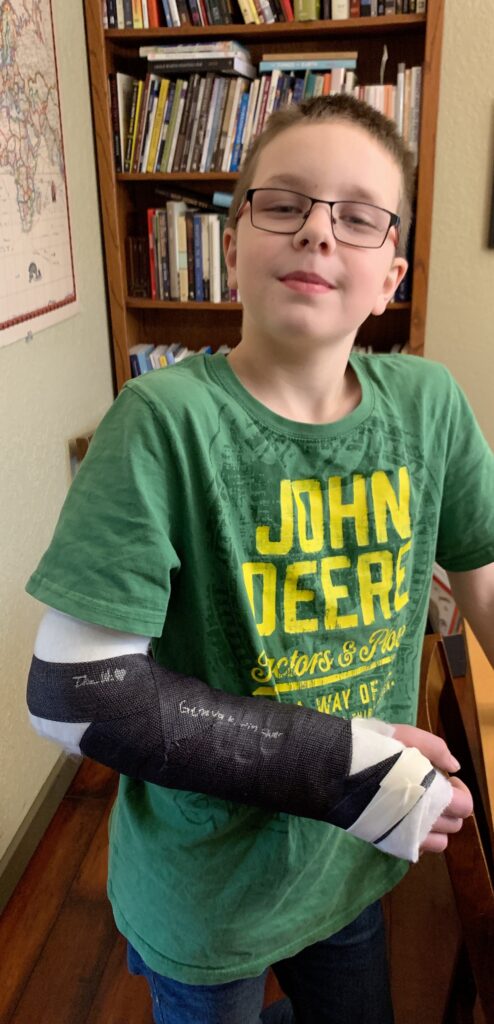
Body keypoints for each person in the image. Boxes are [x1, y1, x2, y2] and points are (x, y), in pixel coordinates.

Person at [25, 94, 493, 1024]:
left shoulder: (430, 404)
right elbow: (78, 694)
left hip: (349, 862)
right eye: (284, 204)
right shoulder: (159, 423)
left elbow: (484, 581)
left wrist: (355, 787)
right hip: (208, 892)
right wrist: (344, 767)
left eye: (357, 217)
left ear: (390, 277)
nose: (318, 230)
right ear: (233, 246)